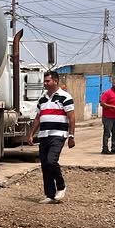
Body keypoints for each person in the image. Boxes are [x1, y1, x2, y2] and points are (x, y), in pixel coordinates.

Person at [27, 70, 75, 203]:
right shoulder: (42, 99)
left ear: (55, 81)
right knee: (44, 165)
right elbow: (38, 117)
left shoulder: (65, 97)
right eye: (44, 81)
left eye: (48, 81)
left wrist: (71, 135)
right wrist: (31, 134)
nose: (45, 83)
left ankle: (61, 186)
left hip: (58, 135)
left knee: (51, 161)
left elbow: (71, 117)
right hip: (44, 135)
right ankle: (50, 195)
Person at [100, 78, 115, 154]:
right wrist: (113, 107)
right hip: (108, 117)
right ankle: (105, 149)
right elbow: (102, 103)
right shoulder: (107, 93)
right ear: (112, 83)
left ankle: (114, 148)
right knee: (107, 133)